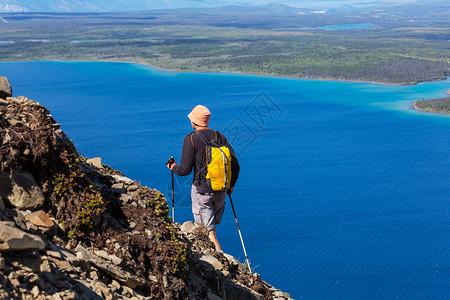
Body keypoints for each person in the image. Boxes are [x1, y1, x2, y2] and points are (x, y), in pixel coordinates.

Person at [167, 105, 240, 251]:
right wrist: (231, 185)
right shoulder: (219, 136)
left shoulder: (191, 139)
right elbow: (235, 164)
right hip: (221, 190)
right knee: (211, 229)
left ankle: (221, 267)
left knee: (209, 233)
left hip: (202, 192)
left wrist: (173, 167)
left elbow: (184, 171)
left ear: (194, 121)